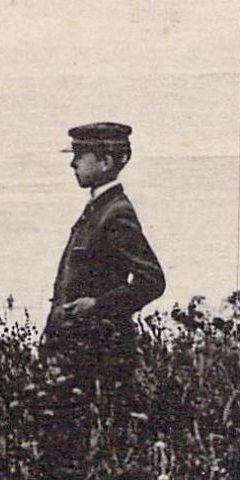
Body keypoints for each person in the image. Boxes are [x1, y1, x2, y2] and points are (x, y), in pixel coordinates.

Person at [44, 121, 166, 397]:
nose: (72, 164)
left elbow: (152, 281)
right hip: (79, 354)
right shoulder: (98, 209)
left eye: (79, 156)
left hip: (100, 357)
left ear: (106, 161)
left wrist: (97, 306)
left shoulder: (115, 213)